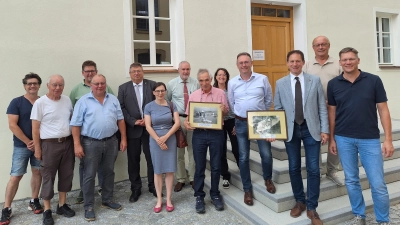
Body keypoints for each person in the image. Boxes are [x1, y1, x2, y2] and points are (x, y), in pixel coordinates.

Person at [328, 47, 394, 225]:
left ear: (358, 60)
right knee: (351, 180)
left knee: (378, 183)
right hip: (343, 138)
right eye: (344, 60)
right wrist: (332, 138)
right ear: (340, 62)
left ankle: (383, 220)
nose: (348, 62)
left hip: (369, 139)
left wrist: (388, 139)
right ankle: (359, 215)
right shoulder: (334, 84)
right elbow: (332, 113)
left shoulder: (373, 80)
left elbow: (383, 110)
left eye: (351, 59)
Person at [272, 50, 328, 225]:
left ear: (303, 62)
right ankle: (300, 201)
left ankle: (312, 207)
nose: (295, 64)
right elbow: (278, 110)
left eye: (298, 61)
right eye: (291, 61)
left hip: (312, 129)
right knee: (294, 167)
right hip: (291, 130)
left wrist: (325, 130)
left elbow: (321, 107)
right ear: (287, 63)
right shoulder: (280, 83)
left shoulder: (314, 80)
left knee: (313, 169)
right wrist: (276, 131)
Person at [70, 74, 127, 221]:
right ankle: (88, 206)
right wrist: (77, 144)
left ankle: (107, 200)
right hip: (90, 143)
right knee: (89, 175)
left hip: (111, 141)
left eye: (102, 83)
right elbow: (75, 125)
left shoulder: (113, 99)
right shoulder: (83, 101)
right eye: (97, 84)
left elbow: (120, 120)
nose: (100, 86)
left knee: (108, 172)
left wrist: (124, 138)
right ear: (91, 85)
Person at [228, 52, 275, 206]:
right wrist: (239, 115)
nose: (244, 65)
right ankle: (247, 189)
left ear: (251, 63)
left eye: (246, 62)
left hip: (261, 121)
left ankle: (268, 178)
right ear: (237, 65)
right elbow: (231, 102)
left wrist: (261, 114)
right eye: (241, 63)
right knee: (243, 157)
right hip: (241, 123)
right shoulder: (233, 82)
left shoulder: (262, 79)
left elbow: (269, 99)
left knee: (266, 154)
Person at [31, 75, 75, 225]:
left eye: (61, 85)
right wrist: (37, 149)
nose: (58, 88)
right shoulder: (40, 103)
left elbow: (71, 121)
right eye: (54, 85)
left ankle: (62, 205)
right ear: (48, 86)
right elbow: (35, 130)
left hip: (67, 143)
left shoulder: (67, 100)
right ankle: (47, 209)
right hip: (49, 145)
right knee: (48, 177)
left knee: (66, 175)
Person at [184, 69, 229, 214]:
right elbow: (188, 117)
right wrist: (186, 123)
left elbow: (226, 111)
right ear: (199, 81)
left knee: (216, 166)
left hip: (216, 133)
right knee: (199, 167)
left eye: (206, 80)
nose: (204, 83)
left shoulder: (220, 93)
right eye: (201, 81)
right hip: (199, 134)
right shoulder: (194, 95)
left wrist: (224, 109)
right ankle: (199, 196)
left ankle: (215, 194)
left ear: (211, 79)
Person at [69, 60, 115, 203]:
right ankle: (85, 195)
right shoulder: (77, 92)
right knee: (87, 171)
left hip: (108, 139)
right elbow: (73, 116)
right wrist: (76, 143)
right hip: (88, 140)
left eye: (92, 71)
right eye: (87, 71)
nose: (90, 73)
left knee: (106, 169)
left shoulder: (109, 93)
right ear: (83, 73)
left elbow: (114, 110)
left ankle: (104, 192)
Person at [2, 73, 44, 225]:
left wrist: (37, 143)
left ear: (39, 85)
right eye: (29, 83)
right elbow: (12, 125)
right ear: (25, 86)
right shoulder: (17, 102)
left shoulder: (43, 101)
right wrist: (28, 142)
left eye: (35, 83)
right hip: (22, 146)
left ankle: (34, 200)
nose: (32, 85)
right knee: (16, 176)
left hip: (40, 145)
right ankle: (6, 208)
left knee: (37, 172)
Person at [303, 36, 344, 186]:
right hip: (314, 111)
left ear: (329, 46)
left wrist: (333, 102)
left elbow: (344, 86)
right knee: (315, 140)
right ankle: (317, 171)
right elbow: (304, 88)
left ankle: (332, 170)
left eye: (323, 44)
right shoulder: (307, 66)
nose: (321, 47)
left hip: (335, 109)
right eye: (317, 45)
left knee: (335, 139)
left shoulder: (337, 64)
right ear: (313, 47)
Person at [118, 62, 157, 202]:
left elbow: (157, 104)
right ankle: (135, 188)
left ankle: (154, 186)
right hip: (132, 130)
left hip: (149, 130)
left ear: (143, 72)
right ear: (130, 73)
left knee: (152, 159)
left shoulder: (152, 85)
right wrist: (133, 121)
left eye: (139, 71)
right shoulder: (123, 88)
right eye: (133, 71)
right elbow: (121, 108)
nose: (136, 73)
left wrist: (148, 120)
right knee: (133, 161)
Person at [144, 82, 180, 213]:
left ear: (165, 91)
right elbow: (148, 126)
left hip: (170, 138)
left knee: (170, 170)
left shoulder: (171, 105)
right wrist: (159, 140)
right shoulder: (148, 106)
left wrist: (166, 137)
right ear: (153, 92)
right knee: (157, 171)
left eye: (162, 91)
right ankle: (159, 199)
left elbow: (176, 123)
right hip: (155, 140)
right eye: (157, 91)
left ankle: (169, 199)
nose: (160, 93)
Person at [166, 61, 199, 192]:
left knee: (192, 151)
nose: (185, 72)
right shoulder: (171, 84)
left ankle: (192, 178)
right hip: (178, 120)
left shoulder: (195, 83)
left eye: (188, 69)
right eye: (183, 69)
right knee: (178, 151)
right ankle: (180, 179)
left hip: (192, 119)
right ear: (178, 70)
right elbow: (168, 102)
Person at [213, 68, 239, 189]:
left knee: (236, 148)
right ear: (216, 77)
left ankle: (243, 170)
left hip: (232, 121)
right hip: (219, 123)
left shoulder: (232, 89)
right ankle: (225, 176)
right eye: (219, 75)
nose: (222, 77)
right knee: (221, 150)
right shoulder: (212, 90)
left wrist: (237, 123)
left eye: (224, 75)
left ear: (227, 77)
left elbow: (238, 105)